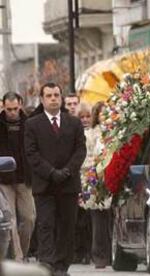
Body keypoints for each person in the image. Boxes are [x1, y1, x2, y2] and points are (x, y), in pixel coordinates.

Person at [24, 83, 86, 276]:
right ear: (42, 99)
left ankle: (61, 265)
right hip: (45, 184)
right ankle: (47, 264)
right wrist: (51, 172)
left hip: (68, 184)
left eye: (56, 95)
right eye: (49, 95)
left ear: (61, 98)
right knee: (46, 225)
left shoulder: (73, 123)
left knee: (67, 226)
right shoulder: (32, 124)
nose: (53, 99)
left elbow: (80, 150)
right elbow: (32, 153)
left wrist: (67, 171)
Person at [0, 92, 35, 262]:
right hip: (4, 179)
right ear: (3, 106)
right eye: (8, 109)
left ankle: (24, 251)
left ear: (20, 104)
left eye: (15, 108)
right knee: (11, 218)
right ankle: (18, 257)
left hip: (24, 177)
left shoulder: (29, 124)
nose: (12, 112)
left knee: (29, 217)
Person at [81, 101, 112, 269]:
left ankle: (112, 254)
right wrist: (92, 176)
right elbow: (86, 158)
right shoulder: (90, 134)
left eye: (107, 112)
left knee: (111, 218)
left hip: (112, 179)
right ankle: (99, 255)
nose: (105, 116)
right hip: (96, 179)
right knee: (98, 219)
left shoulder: (116, 132)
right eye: (101, 113)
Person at [73, 103, 92, 265]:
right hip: (77, 177)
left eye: (88, 116)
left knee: (89, 219)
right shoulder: (73, 133)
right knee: (78, 219)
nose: (85, 120)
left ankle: (89, 250)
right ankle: (78, 251)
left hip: (92, 178)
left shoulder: (96, 133)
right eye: (82, 117)